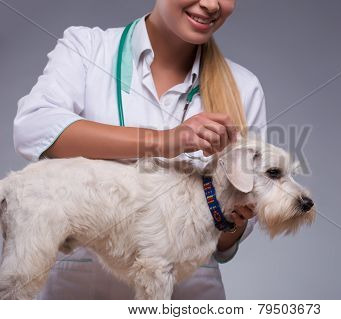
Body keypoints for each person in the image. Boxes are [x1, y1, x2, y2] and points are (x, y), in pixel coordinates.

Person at [13, 0, 267, 299]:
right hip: (78, 296)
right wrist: (163, 141)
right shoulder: (89, 48)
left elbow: (225, 245)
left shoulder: (243, 87)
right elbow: (34, 128)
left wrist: (232, 217)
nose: (211, 4)